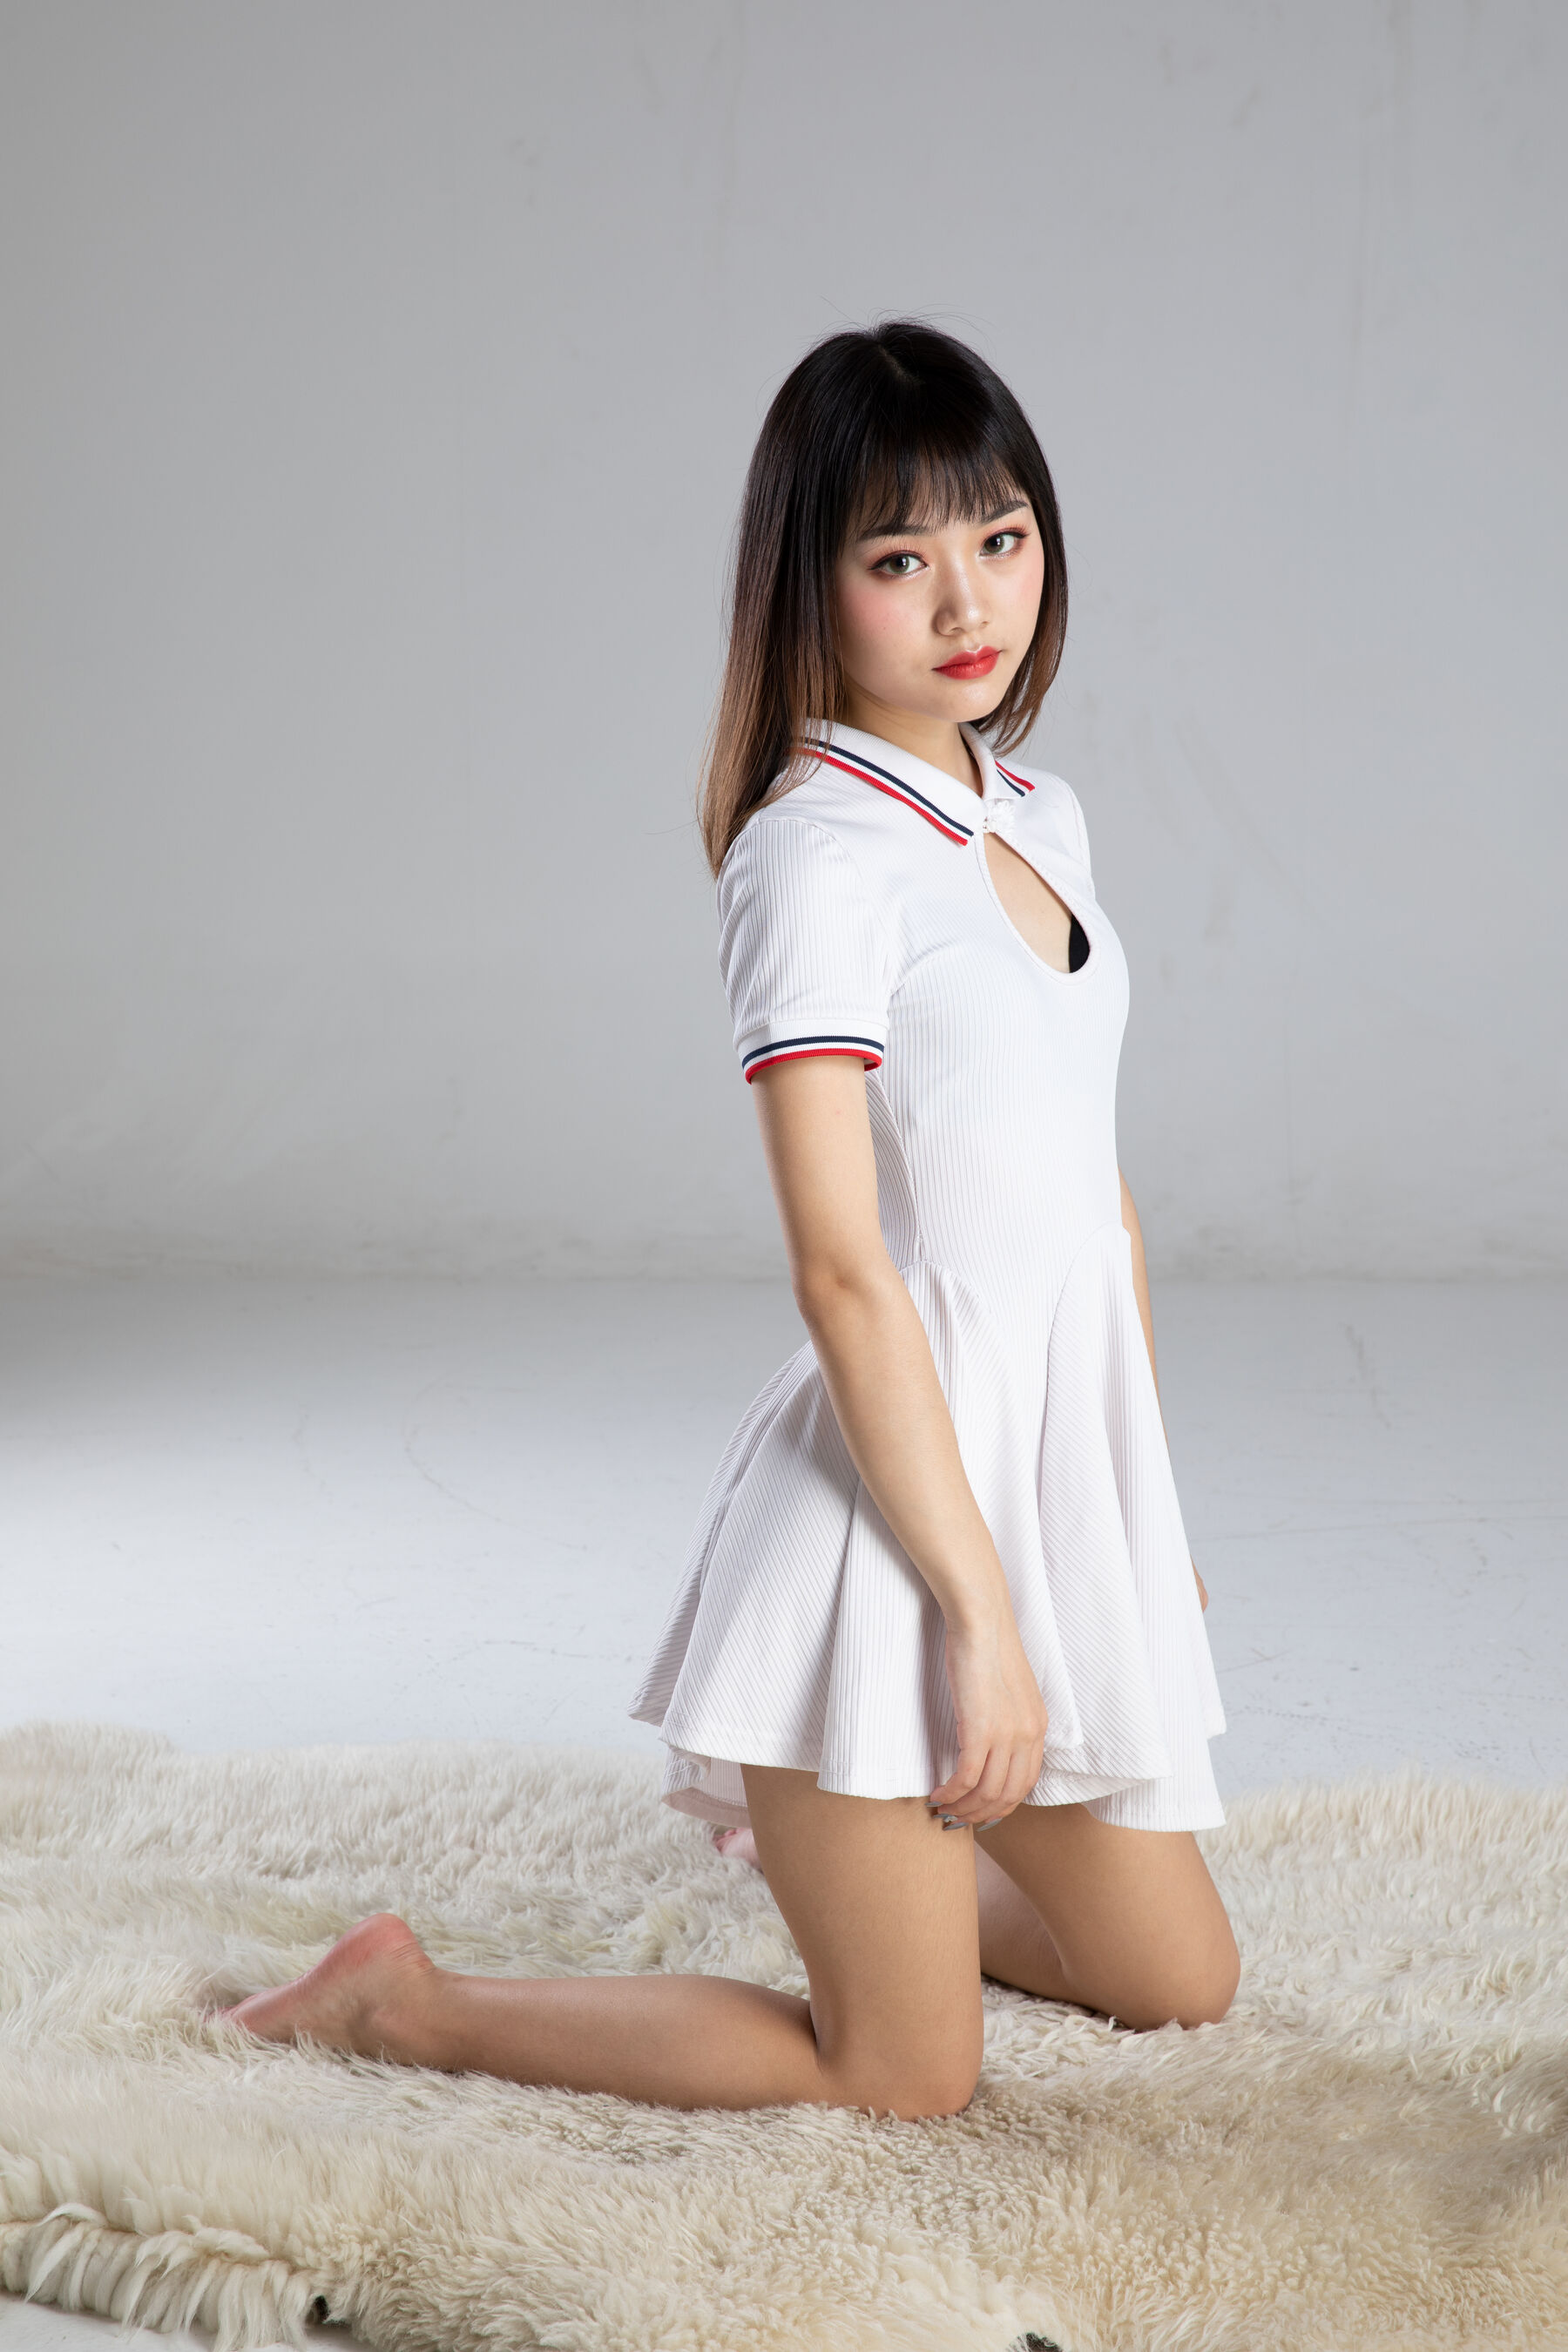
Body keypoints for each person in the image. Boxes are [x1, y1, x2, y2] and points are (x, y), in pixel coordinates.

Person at [225, 321, 1239, 2117]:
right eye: (899, 559)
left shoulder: (1042, 813)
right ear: (810, 586)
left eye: (1000, 537)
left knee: (1182, 1981)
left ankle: (856, 1864)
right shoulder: (811, 855)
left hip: (1033, 1490)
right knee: (904, 2080)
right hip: (883, 1534)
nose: (967, 601)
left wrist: (1135, 1511)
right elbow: (844, 1271)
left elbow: (1099, 1202)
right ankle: (408, 2006)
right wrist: (980, 1612)